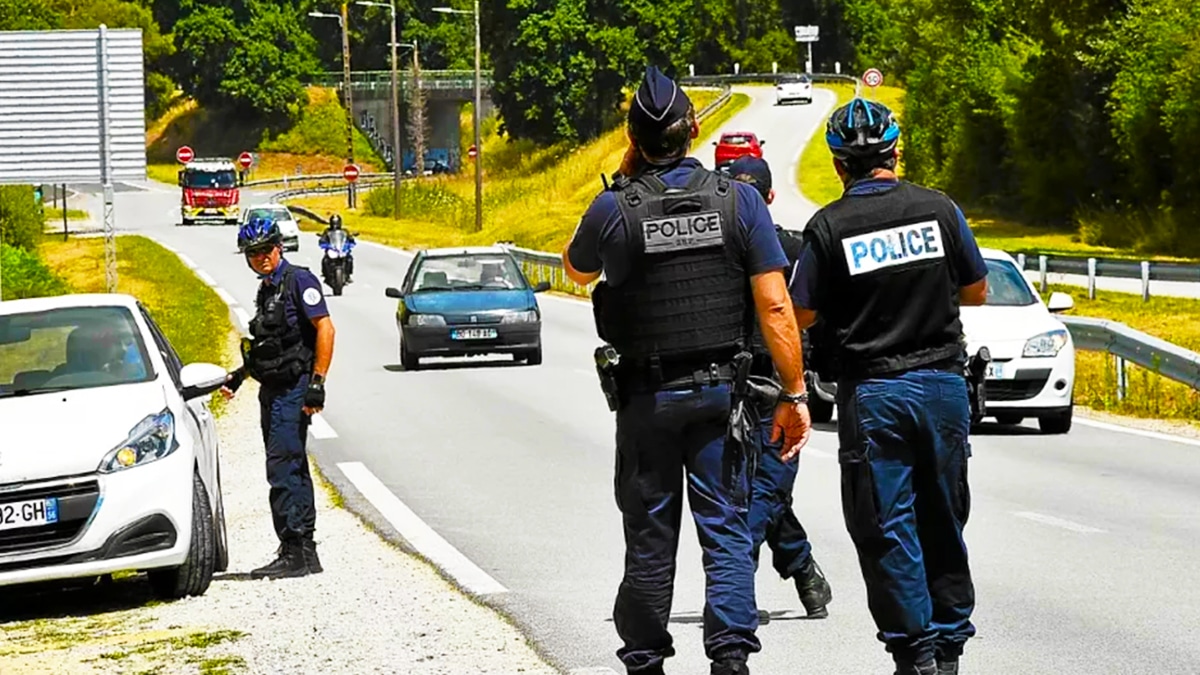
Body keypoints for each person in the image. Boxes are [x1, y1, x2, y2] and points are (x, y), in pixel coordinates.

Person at [562, 65, 812, 675]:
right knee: (724, 530)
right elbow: (776, 305)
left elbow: (576, 269)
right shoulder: (740, 201)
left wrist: (625, 177)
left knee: (650, 535)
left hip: (648, 399)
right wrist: (794, 392)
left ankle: (645, 659)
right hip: (719, 394)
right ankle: (729, 659)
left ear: (633, 138)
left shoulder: (614, 208)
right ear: (695, 129)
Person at [789, 97, 989, 675]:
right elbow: (975, 290)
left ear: (838, 165)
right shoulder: (939, 209)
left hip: (875, 393)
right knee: (943, 517)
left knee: (886, 525)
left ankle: (915, 654)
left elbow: (800, 315)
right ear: (895, 153)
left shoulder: (829, 227)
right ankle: (948, 649)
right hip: (944, 388)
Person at [726, 155, 833, 619]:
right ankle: (804, 569)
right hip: (735, 391)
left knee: (762, 491)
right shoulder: (727, 250)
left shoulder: (793, 248)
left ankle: (738, 594)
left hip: (779, 392)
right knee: (752, 492)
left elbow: (817, 316)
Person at [222, 214, 337, 580]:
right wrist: (240, 376)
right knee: (292, 468)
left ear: (279, 247)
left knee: (282, 468)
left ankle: (294, 550)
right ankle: (305, 551)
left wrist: (317, 382)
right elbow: (268, 344)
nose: (260, 257)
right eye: (252, 253)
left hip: (293, 389)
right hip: (271, 389)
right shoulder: (267, 288)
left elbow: (325, 328)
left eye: (266, 250)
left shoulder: (298, 280)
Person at [318, 213, 356, 283]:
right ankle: (325, 274)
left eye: (336, 223)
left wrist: (351, 242)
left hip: (341, 249)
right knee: (325, 260)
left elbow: (349, 238)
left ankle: (348, 275)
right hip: (332, 250)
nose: (335, 224)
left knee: (349, 259)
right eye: (333, 223)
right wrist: (323, 243)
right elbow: (322, 239)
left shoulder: (344, 231)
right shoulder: (327, 231)